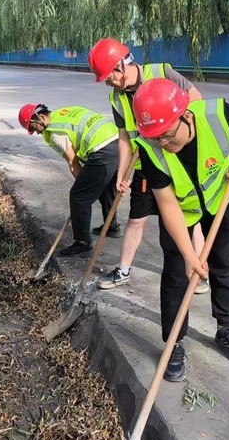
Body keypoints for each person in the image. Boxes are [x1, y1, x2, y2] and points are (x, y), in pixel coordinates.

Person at [131, 77, 229, 380]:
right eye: (156, 138)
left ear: (185, 115)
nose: (163, 144)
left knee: (223, 264)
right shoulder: (150, 148)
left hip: (221, 199)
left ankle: (226, 329)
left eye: (167, 134)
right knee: (177, 274)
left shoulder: (218, 114)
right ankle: (174, 343)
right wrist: (190, 255)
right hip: (181, 209)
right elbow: (167, 205)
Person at [86, 37, 208, 295]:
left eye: (109, 76)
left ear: (121, 65)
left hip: (178, 160)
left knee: (191, 219)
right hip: (145, 164)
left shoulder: (162, 73)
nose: (108, 82)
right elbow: (123, 137)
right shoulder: (117, 97)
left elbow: (197, 103)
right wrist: (122, 174)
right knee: (136, 218)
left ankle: (198, 272)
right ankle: (123, 271)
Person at [18, 103, 123, 256]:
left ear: (40, 118)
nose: (35, 132)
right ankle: (111, 226)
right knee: (105, 188)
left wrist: (82, 186)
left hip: (103, 150)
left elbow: (73, 162)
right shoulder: (62, 113)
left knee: (79, 196)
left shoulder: (55, 132)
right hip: (118, 142)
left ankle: (82, 244)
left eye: (33, 128)